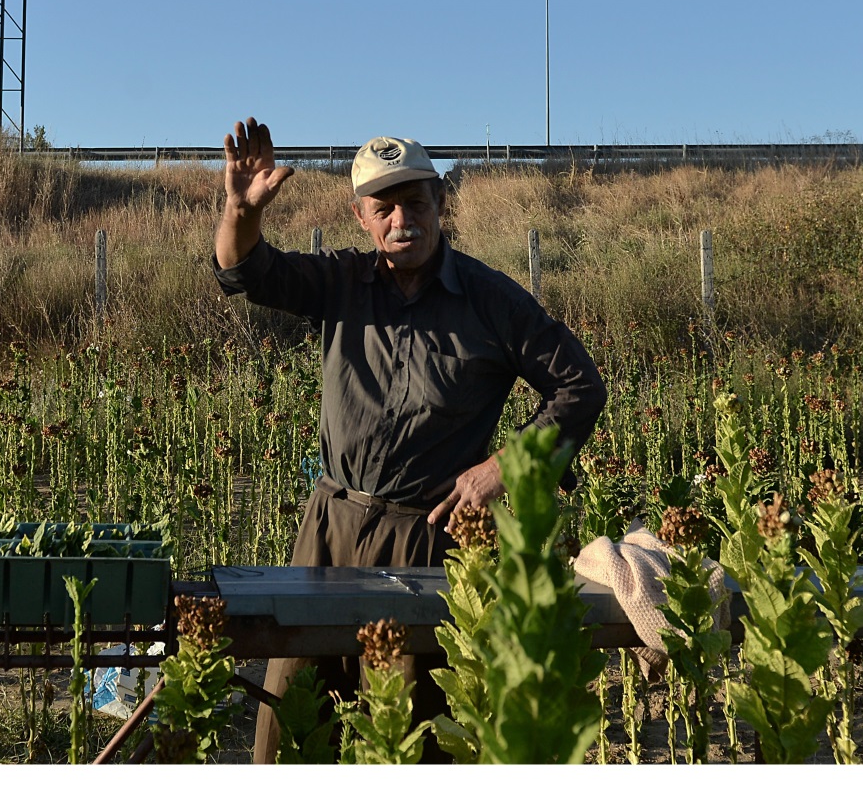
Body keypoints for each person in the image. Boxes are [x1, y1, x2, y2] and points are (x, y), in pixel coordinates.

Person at [213, 118, 608, 763]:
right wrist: (239, 210)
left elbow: (579, 388)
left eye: (416, 201)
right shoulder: (342, 283)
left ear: (439, 204)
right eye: (384, 206)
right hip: (329, 532)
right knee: (296, 715)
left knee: (409, 730)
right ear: (361, 217)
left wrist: (503, 468)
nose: (403, 218)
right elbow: (246, 272)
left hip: (427, 542)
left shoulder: (491, 301)